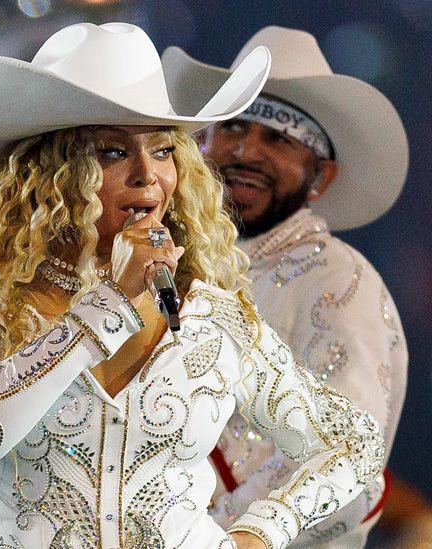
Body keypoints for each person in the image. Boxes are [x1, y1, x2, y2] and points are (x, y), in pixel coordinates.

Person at [0, 21, 384, 549]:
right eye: (111, 152)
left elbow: (355, 445)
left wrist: (258, 534)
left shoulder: (212, 316)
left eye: (162, 150)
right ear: (48, 175)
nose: (146, 175)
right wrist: (109, 303)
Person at [162, 26, 408, 547]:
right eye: (230, 126)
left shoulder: (341, 281)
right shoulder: (170, 266)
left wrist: (217, 537)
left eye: (277, 138)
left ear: (320, 178)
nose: (245, 151)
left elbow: (351, 471)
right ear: (199, 144)